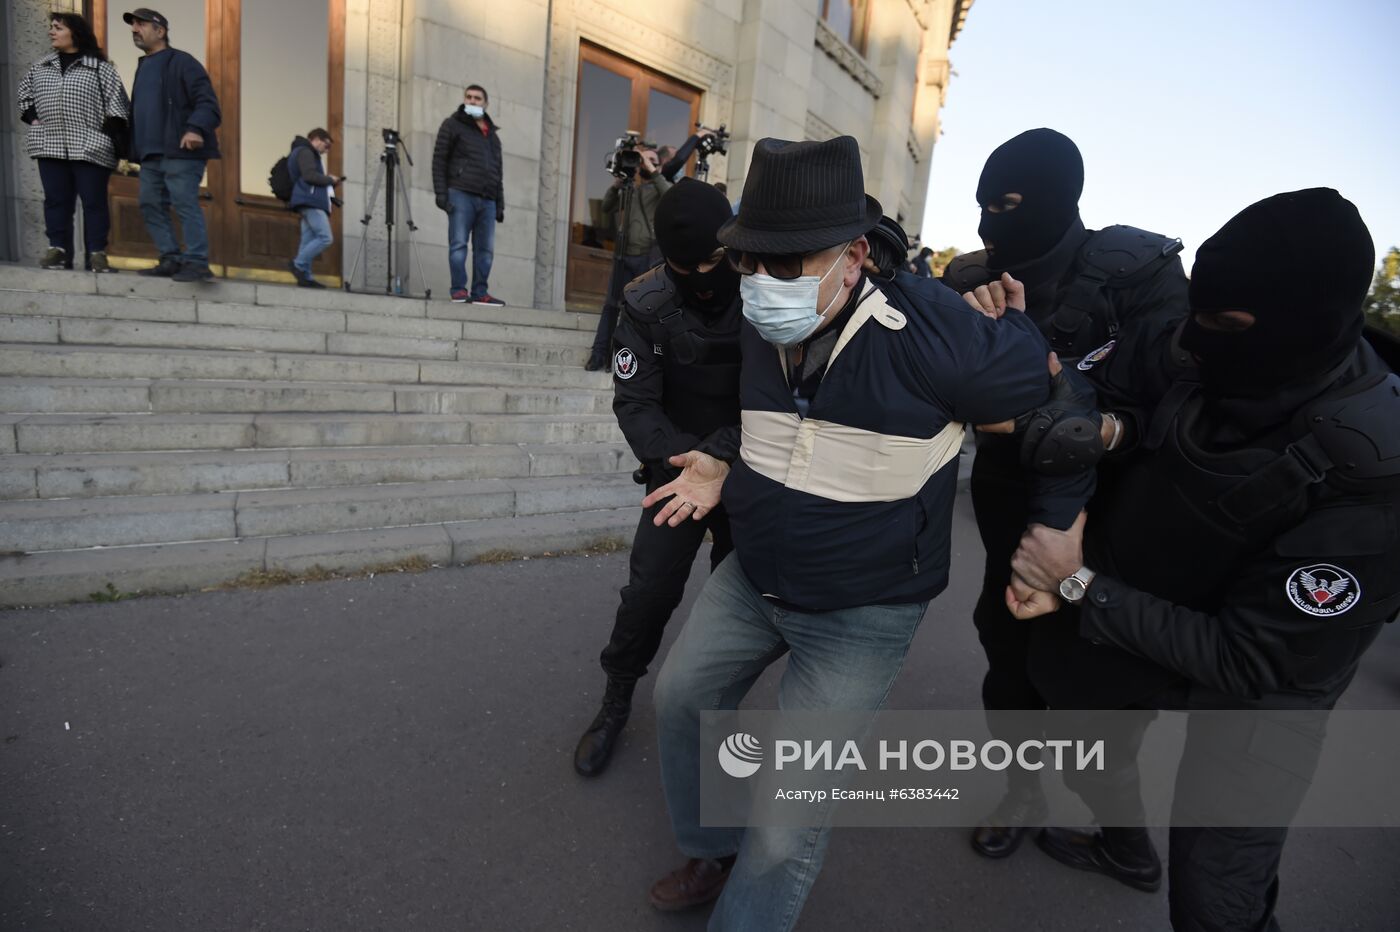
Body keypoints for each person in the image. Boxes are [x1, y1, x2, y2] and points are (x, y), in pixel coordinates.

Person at [642, 136, 1097, 930]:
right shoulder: (758, 314)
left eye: (786, 267)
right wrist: (719, 458)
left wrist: (1059, 530)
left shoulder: (938, 333)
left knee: (785, 830)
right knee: (680, 696)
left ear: (853, 255)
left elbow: (1063, 423)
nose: (760, 285)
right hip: (755, 577)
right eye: (750, 263)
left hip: (863, 612)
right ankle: (711, 849)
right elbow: (753, 418)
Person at [1004, 188, 1400, 931]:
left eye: (1222, 325)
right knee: (1088, 748)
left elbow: (1251, 660)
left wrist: (1076, 582)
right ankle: (1125, 850)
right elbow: (1101, 380)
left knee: (1216, 900)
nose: (1197, 339)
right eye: (1198, 316)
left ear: (1295, 328)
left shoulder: (1373, 473)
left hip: (1264, 684)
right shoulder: (1197, 336)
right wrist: (1105, 431)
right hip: (1146, 595)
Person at [942, 128, 1190, 860]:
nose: (993, 221)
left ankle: (1123, 837)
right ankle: (1022, 791)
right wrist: (972, 330)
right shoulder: (969, 278)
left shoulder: (1136, 271)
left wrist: (1093, 429)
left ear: (1057, 199)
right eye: (983, 205)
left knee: (1098, 695)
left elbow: (1174, 409)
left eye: (1010, 204)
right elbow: (943, 393)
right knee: (1009, 659)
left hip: (1112, 521)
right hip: (1008, 509)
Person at [573, 179, 745, 777]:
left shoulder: (767, 289)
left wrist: (726, 454)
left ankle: (720, 718)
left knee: (741, 606)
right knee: (647, 594)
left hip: (750, 466)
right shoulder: (644, 301)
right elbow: (635, 401)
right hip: (676, 471)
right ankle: (617, 696)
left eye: (716, 261)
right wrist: (685, 461)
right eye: (686, 264)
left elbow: (786, 393)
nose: (703, 272)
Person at [17, 12, 130, 273]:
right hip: (50, 146)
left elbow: (118, 108)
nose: (51, 32)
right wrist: (34, 121)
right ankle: (58, 251)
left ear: (74, 32)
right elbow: (25, 98)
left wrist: (102, 135)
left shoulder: (101, 69)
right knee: (56, 201)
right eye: (51, 28)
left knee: (94, 202)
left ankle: (97, 254)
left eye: (58, 27)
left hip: (91, 148)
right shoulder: (40, 66)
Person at [125, 7, 221, 283]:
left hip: (182, 150)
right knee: (150, 203)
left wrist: (194, 128)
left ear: (160, 31)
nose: (134, 30)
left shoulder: (182, 62)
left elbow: (208, 104)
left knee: (184, 203)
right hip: (150, 154)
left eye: (141, 24)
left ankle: (197, 261)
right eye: (133, 26)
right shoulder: (143, 68)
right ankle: (170, 258)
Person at [585, 149, 672, 370]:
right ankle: (598, 354)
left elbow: (670, 195)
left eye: (651, 161)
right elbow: (605, 207)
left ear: (658, 166)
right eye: (642, 160)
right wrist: (616, 185)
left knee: (637, 310)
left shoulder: (658, 188)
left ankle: (624, 355)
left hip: (647, 258)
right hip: (623, 256)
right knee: (610, 306)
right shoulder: (629, 188)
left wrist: (652, 169)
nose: (644, 164)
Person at [431, 84, 505, 306]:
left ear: (486, 103)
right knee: (459, 244)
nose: (473, 101)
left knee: (485, 250)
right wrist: (441, 194)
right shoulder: (452, 125)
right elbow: (439, 160)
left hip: (488, 199)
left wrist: (500, 203)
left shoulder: (493, 136)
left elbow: (497, 172)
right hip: (461, 193)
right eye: (469, 97)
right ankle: (459, 289)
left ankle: (480, 292)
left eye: (478, 98)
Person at [287, 129, 342, 289]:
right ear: (317, 139)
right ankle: (298, 264)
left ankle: (305, 276)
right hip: (311, 201)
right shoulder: (306, 152)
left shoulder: (303, 152)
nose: (326, 151)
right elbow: (309, 176)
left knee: (308, 240)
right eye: (326, 146)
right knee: (325, 237)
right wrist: (329, 179)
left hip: (307, 200)